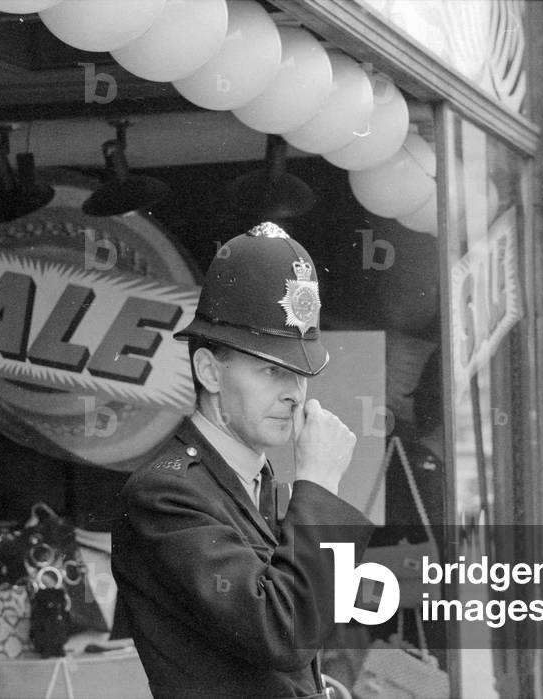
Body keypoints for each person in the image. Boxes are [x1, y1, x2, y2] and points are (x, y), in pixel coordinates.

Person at [111, 222, 373, 698]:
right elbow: (285, 632)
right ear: (209, 371)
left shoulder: (256, 482)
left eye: (299, 373)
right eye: (272, 370)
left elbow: (309, 636)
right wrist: (317, 484)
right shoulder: (166, 494)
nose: (294, 394)